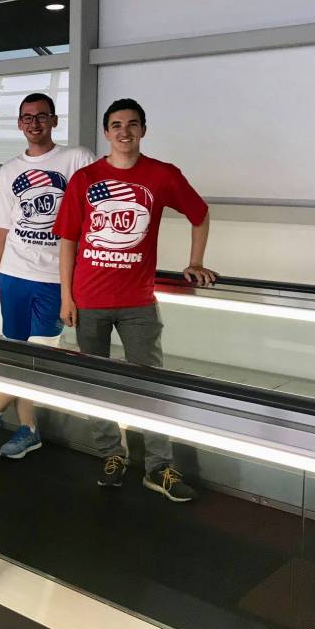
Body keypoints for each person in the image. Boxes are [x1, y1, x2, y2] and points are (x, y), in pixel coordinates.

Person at [54, 97, 217, 501]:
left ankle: (158, 467)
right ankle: (112, 454)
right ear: (106, 133)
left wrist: (195, 261)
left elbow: (199, 213)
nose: (124, 132)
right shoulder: (85, 179)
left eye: (132, 124)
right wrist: (66, 297)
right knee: (97, 382)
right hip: (88, 299)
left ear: (143, 129)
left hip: (139, 302)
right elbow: (68, 241)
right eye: (116, 125)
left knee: (152, 386)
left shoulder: (162, 175)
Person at [0, 93, 93, 458]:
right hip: (13, 275)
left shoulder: (77, 159)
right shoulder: (10, 169)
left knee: (39, 359)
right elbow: (1, 229)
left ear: (54, 121)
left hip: (55, 280)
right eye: (27, 117)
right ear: (20, 124)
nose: (35, 123)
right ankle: (28, 429)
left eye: (42, 116)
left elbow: (93, 217)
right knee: (16, 357)